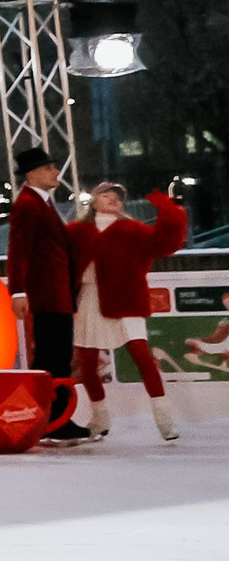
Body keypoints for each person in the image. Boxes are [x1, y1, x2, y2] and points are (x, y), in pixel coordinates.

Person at [66, 181, 188, 443]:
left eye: (118, 197)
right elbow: (58, 261)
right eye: (106, 195)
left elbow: (164, 244)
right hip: (88, 299)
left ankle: (165, 419)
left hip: (125, 297)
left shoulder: (132, 229)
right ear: (93, 200)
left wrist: (170, 212)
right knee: (87, 363)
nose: (113, 199)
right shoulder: (76, 231)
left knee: (142, 356)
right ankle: (100, 419)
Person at [3, 147, 94, 446]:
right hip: (47, 295)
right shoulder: (28, 205)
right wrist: (18, 291)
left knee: (54, 357)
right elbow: (19, 251)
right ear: (33, 174)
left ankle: (51, 417)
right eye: (50, 168)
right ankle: (53, 420)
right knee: (52, 358)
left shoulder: (40, 203)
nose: (57, 172)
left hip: (55, 294)